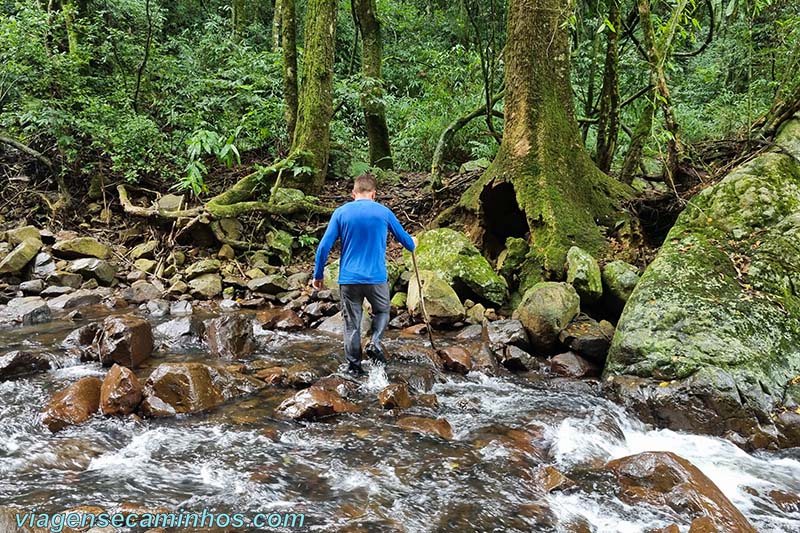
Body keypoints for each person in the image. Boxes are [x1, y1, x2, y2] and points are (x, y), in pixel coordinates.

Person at [312, 174, 416, 377]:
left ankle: (354, 368)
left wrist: (318, 275)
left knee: (352, 324)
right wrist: (413, 242)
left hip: (349, 279)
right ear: (374, 194)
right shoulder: (384, 212)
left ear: (353, 193)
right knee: (383, 312)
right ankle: (375, 341)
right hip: (376, 278)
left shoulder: (341, 213)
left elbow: (324, 246)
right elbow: (407, 243)